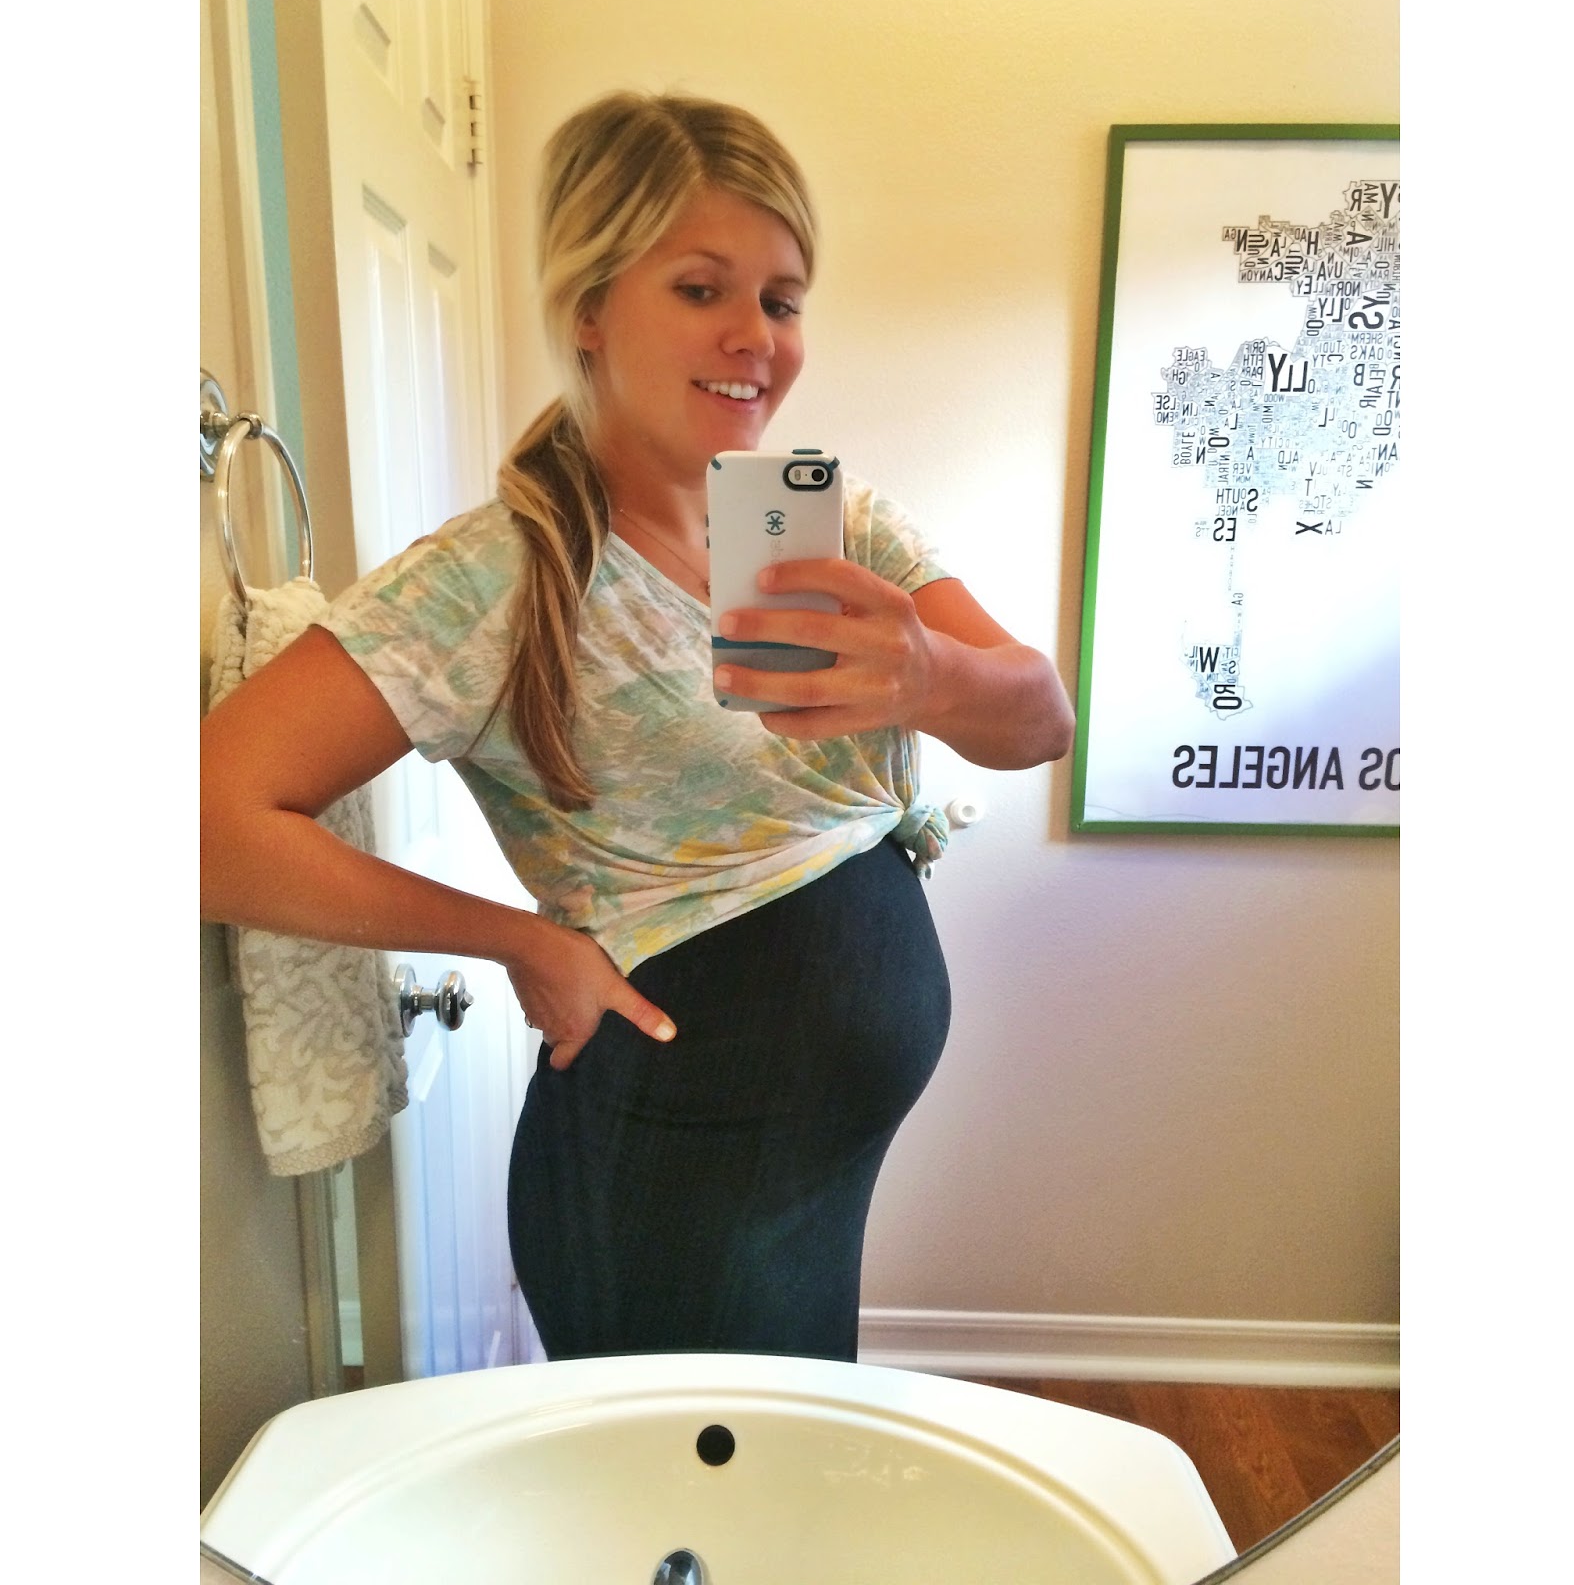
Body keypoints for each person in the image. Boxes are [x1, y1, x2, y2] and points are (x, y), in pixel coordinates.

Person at [200, 91, 1074, 1363]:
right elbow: (209, 822)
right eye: (702, 288)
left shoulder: (836, 529)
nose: (754, 337)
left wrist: (927, 676)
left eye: (782, 299)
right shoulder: (498, 575)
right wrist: (515, 940)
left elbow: (1041, 719)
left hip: (805, 1175)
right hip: (663, 1179)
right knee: (688, 1486)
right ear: (589, 308)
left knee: (773, 1468)